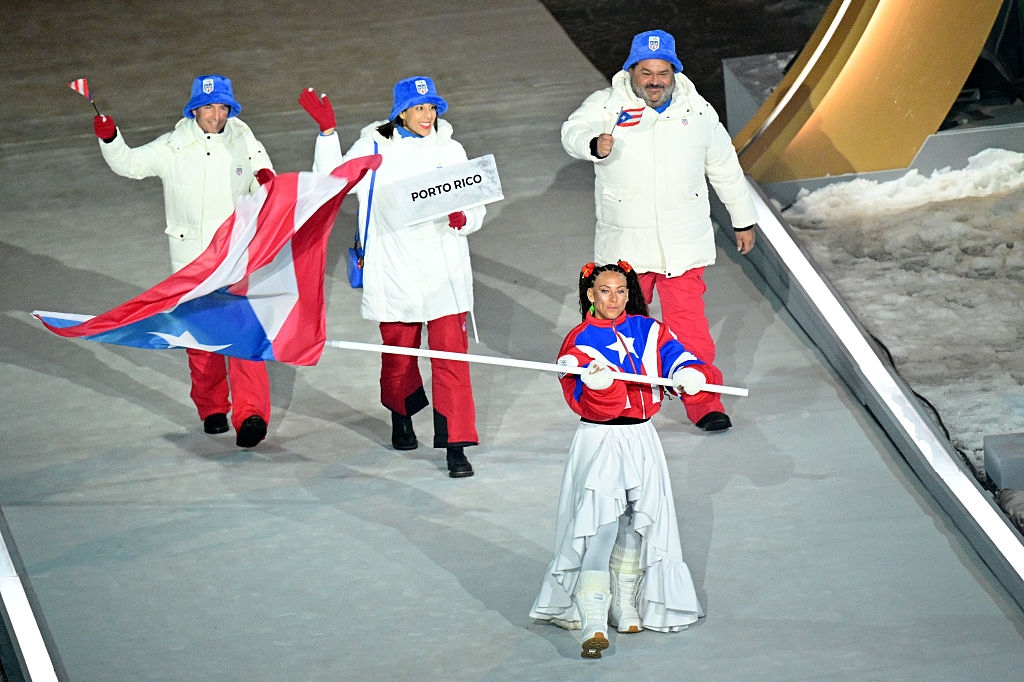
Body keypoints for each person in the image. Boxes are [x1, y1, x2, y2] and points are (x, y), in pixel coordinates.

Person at [561, 29, 759, 432]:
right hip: (625, 251)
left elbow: (724, 167)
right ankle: (625, 400)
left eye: (663, 72)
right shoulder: (606, 105)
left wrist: (743, 218)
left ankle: (704, 403)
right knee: (622, 333)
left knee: (691, 334)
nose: (654, 80)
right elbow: (571, 131)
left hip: (682, 248)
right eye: (646, 72)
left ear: (674, 72)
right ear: (632, 71)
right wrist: (591, 144)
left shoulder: (698, 111)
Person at [299, 76, 485, 478]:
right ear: (401, 111)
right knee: (399, 359)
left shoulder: (451, 150)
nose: (427, 116)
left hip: (445, 275)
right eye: (419, 108)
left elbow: (476, 206)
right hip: (396, 270)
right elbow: (333, 181)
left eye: (432, 108)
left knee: (452, 361)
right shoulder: (375, 146)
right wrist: (328, 133)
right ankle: (401, 415)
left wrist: (464, 217)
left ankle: (456, 445)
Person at [530, 261, 707, 659]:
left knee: (635, 523)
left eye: (622, 290)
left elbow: (675, 355)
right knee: (602, 527)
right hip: (602, 439)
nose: (615, 298)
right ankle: (593, 619)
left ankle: (623, 603)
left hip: (642, 437)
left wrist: (688, 373)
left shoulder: (649, 329)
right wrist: (599, 386)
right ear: (590, 294)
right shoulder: (577, 341)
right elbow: (583, 400)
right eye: (605, 291)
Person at [92, 74, 274, 448]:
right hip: (191, 259)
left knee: (244, 336)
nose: (217, 115)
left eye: (223, 107)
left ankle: (251, 414)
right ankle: (211, 409)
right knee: (201, 339)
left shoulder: (242, 137)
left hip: (236, 255)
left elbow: (263, 176)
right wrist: (111, 139)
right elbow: (130, 164)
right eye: (209, 107)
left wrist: (267, 180)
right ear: (195, 109)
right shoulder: (172, 147)